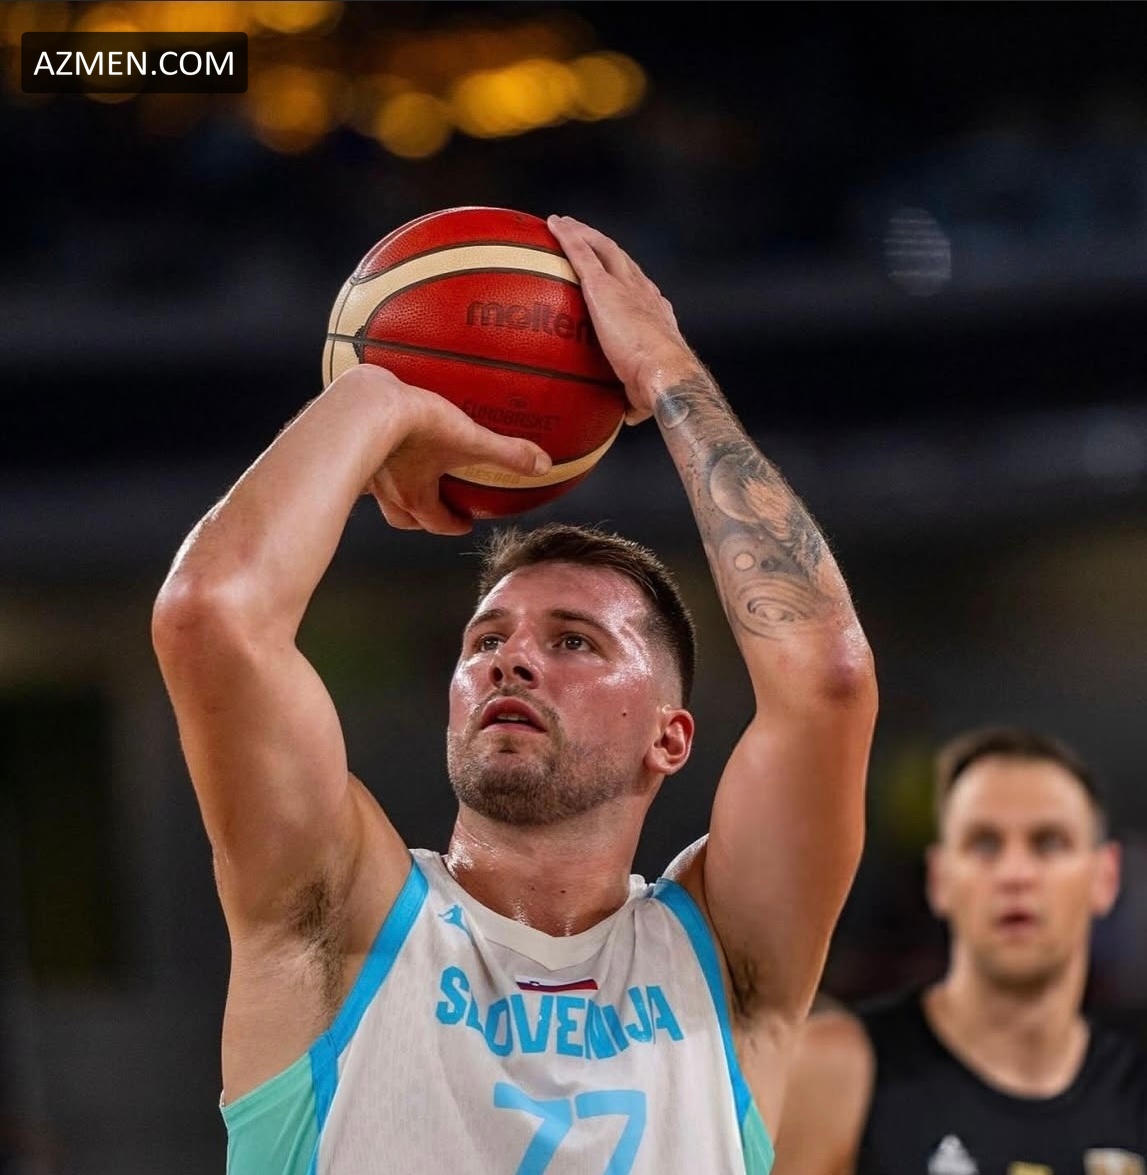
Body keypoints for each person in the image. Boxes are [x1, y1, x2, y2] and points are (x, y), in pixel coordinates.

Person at [150, 213, 878, 1174]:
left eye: (573, 640)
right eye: (485, 640)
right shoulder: (339, 915)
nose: (511, 660)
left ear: (670, 737)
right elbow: (213, 614)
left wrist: (669, 374)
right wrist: (375, 395)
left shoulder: (725, 959)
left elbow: (825, 676)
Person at [774, 724, 1147, 1175]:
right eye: (984, 843)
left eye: (1049, 843)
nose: (1015, 874)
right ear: (939, 878)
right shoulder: (835, 1073)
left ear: (1106, 876)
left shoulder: (1136, 1094)